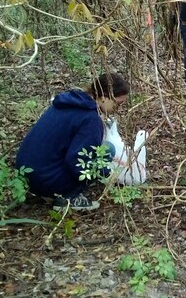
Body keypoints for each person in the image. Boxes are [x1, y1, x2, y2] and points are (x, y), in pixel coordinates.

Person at [16, 73, 129, 211]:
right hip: (45, 180)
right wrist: (107, 173)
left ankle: (52, 188)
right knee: (107, 150)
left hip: (25, 175)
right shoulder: (90, 119)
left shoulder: (69, 103)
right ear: (104, 97)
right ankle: (68, 197)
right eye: (118, 104)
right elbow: (77, 160)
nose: (118, 109)